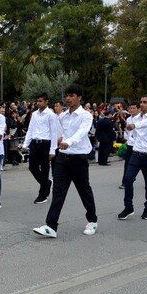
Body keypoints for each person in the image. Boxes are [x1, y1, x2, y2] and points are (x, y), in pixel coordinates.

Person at [33, 84, 98, 238]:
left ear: (79, 98)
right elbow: (59, 133)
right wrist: (59, 141)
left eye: (72, 96)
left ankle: (92, 220)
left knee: (84, 191)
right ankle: (51, 226)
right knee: (58, 192)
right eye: (67, 96)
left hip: (79, 159)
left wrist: (69, 141)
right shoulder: (62, 116)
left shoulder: (86, 116)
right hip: (62, 158)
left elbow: (82, 132)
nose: (68, 99)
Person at [119, 95, 147, 220]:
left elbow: (145, 123)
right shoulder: (134, 118)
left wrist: (135, 126)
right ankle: (128, 207)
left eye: (145, 102)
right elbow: (130, 133)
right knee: (127, 179)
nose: (142, 104)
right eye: (141, 102)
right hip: (136, 154)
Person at [21, 93, 59, 204]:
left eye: (41, 101)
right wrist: (25, 144)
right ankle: (46, 183)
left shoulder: (51, 115)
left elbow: (53, 133)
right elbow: (30, 130)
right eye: (37, 101)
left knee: (45, 168)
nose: (38, 103)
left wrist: (52, 150)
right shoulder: (34, 114)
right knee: (32, 167)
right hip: (34, 143)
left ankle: (42, 195)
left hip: (45, 144)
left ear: (46, 102)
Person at [119, 101, 140, 189]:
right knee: (127, 163)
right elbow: (127, 132)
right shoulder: (128, 119)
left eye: (133, 108)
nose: (131, 110)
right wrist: (127, 139)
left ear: (138, 109)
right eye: (130, 108)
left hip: (139, 146)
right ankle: (125, 182)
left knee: (141, 165)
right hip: (130, 145)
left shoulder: (141, 119)